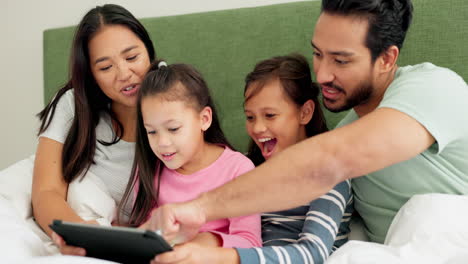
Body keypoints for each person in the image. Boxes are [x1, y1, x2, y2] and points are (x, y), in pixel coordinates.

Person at [147, 0, 468, 255]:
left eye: (341, 61)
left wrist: (200, 207)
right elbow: (302, 182)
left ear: (386, 59)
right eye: (318, 54)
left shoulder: (433, 87)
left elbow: (331, 160)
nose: (323, 74)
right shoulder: (345, 130)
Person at [152, 54, 354, 264]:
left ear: (305, 112)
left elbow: (313, 253)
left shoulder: (330, 173)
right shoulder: (246, 169)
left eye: (270, 115)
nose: (257, 128)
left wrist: (222, 257)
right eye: (250, 117)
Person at [33, 3, 155, 251]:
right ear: (90, 74)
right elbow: (46, 190)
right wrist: (81, 237)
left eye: (132, 57)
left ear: (149, 52)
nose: (124, 73)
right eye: (105, 67)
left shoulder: (174, 93)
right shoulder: (72, 104)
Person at [118, 60, 262, 249]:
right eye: (151, 132)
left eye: (173, 128)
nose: (162, 143)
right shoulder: (148, 172)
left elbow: (250, 243)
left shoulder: (238, 169)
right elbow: (147, 239)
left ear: (204, 119)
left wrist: (197, 244)